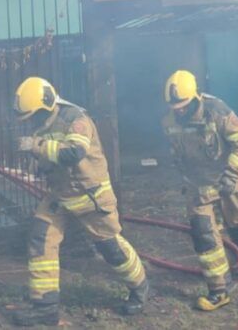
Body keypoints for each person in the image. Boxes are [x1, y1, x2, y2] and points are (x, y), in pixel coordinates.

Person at [12, 76, 148, 326]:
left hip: (91, 196)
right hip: (60, 196)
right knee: (40, 238)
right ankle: (45, 306)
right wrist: (33, 162)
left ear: (46, 105)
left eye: (32, 116)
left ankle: (139, 287)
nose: (30, 122)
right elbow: (48, 156)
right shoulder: (41, 125)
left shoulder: (76, 119)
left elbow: (73, 153)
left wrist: (37, 146)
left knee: (111, 249)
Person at [161, 70, 238, 312]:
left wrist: (232, 173)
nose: (178, 110)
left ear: (195, 97)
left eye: (183, 106)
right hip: (198, 185)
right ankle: (219, 290)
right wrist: (183, 177)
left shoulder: (217, 112)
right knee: (203, 234)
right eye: (174, 106)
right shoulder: (168, 120)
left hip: (225, 179)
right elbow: (175, 152)